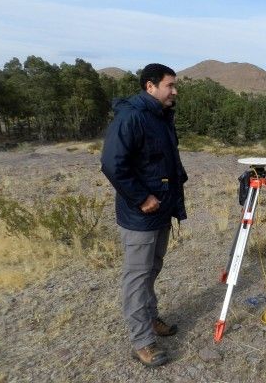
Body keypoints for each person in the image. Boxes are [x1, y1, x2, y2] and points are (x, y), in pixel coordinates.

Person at [101, 63, 187, 367]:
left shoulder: (160, 116)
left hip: (161, 209)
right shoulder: (132, 117)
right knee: (137, 278)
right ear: (150, 86)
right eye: (169, 85)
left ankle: (150, 318)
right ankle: (142, 342)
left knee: (151, 270)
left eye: (174, 85)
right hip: (141, 214)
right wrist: (141, 198)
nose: (174, 91)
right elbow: (112, 164)